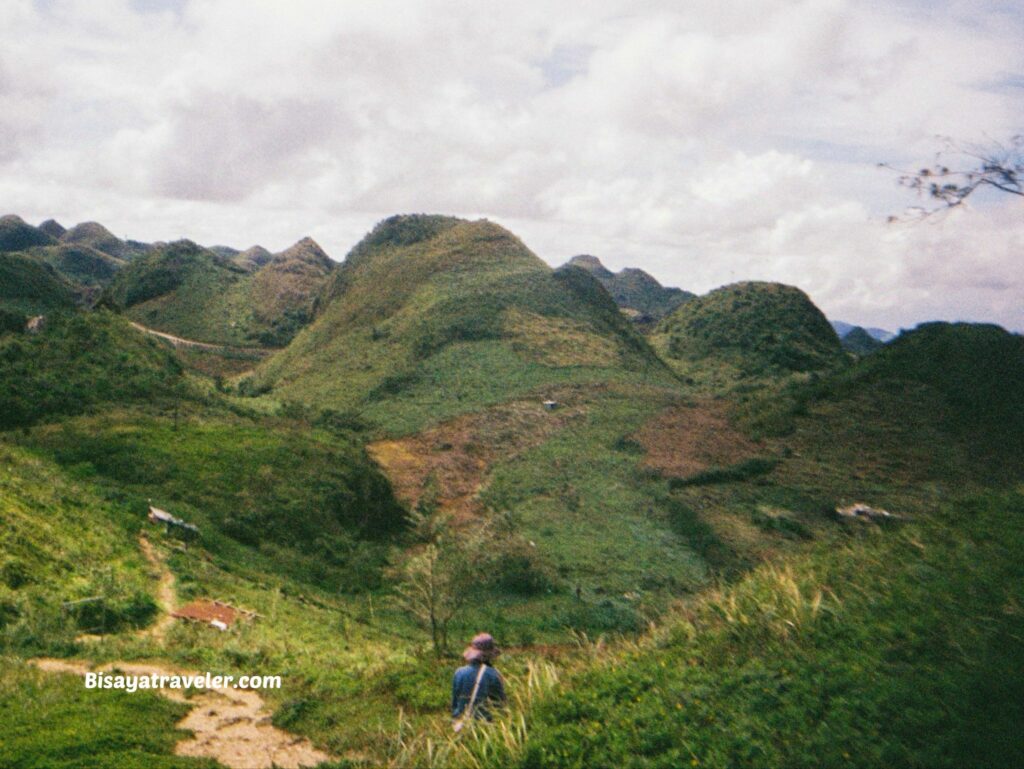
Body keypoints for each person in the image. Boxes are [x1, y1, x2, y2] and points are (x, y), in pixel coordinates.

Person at [451, 632, 506, 730]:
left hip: (460, 726)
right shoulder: (494, 675)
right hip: (484, 727)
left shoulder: (458, 672)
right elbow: (500, 706)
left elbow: (455, 704)